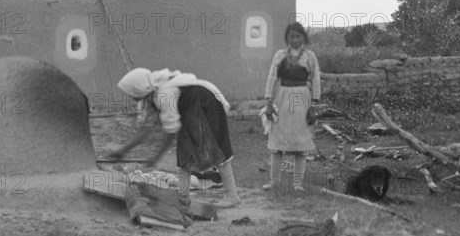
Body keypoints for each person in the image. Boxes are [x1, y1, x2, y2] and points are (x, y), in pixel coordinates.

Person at [109, 68, 241, 208]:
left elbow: (171, 132)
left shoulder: (165, 92)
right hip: (189, 111)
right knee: (185, 152)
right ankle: (183, 197)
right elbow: (144, 130)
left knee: (216, 148)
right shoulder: (149, 95)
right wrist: (122, 151)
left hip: (206, 104)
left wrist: (157, 157)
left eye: (130, 92)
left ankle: (232, 196)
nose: (130, 96)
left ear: (138, 88)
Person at [262, 22, 321, 192]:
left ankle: (297, 184)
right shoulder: (280, 55)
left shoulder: (309, 57)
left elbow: (315, 79)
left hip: (302, 100)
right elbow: (272, 78)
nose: (294, 39)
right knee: (277, 142)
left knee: (300, 143)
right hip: (282, 98)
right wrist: (268, 102)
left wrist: (314, 104)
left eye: (298, 36)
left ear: (304, 37)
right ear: (287, 38)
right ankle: (274, 181)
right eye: (291, 36)